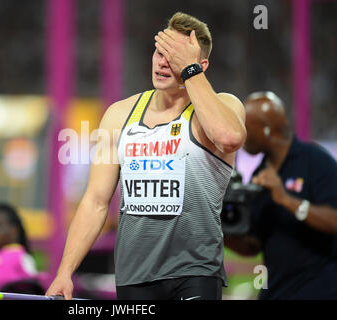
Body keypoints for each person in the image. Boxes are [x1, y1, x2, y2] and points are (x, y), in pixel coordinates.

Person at [46, 12, 246, 300]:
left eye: (175, 56)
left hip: (195, 271)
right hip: (134, 275)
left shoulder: (223, 106)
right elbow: (95, 201)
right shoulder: (119, 114)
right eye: (160, 51)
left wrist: (189, 71)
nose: (164, 62)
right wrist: (64, 273)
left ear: (200, 66)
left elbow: (228, 138)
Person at [225, 91, 337, 299]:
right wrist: (222, 230)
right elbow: (254, 246)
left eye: (245, 127)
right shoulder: (261, 171)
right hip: (275, 291)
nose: (241, 134)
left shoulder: (314, 161)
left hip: (319, 290)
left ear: (267, 130)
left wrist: (286, 199)